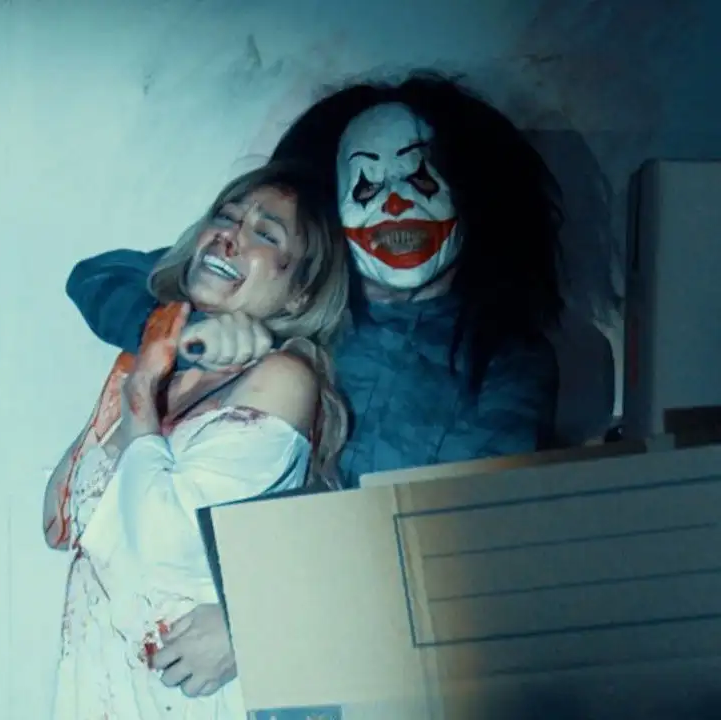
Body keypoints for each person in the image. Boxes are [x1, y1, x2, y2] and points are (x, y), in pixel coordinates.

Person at [63, 71, 565, 697]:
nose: (395, 206)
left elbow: (459, 542)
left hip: (378, 674)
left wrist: (259, 618)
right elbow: (103, 276)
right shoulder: (299, 293)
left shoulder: (507, 361)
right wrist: (194, 330)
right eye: (367, 183)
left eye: (419, 178)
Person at [44, 163, 350, 718]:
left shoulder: (280, 380)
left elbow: (164, 544)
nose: (230, 236)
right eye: (226, 217)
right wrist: (160, 352)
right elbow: (59, 523)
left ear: (299, 293)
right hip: (104, 690)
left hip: (190, 700)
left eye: (265, 234)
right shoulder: (164, 361)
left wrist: (142, 391)